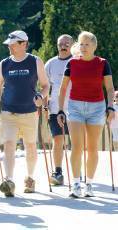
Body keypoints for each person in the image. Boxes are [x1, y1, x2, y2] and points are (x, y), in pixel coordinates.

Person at [0, 30, 49, 197]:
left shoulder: (35, 62)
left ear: (24, 44)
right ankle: (9, 181)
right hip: (8, 112)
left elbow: (45, 85)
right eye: (9, 44)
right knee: (8, 144)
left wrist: (40, 96)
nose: (10, 47)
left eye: (13, 44)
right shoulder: (4, 64)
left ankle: (29, 178)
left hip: (29, 113)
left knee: (30, 146)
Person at [57, 31, 115, 198]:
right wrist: (61, 109)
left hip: (97, 107)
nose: (83, 47)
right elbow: (62, 89)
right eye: (81, 44)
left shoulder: (103, 63)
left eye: (86, 44)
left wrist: (110, 107)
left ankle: (89, 184)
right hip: (75, 107)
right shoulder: (72, 63)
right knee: (77, 146)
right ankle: (75, 184)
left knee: (92, 148)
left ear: (94, 46)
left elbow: (110, 89)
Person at [44, 34, 74, 185]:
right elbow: (44, 86)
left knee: (77, 142)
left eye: (66, 43)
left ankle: (77, 173)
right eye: (61, 43)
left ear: (72, 45)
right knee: (58, 140)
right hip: (55, 109)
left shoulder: (76, 62)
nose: (63, 46)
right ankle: (58, 171)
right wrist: (44, 104)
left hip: (75, 108)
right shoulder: (50, 64)